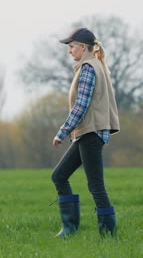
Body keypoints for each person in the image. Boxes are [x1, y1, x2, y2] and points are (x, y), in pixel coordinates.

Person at [51, 27, 120, 238]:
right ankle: (70, 229)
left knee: (96, 185)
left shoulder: (89, 68)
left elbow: (81, 106)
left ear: (83, 47)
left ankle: (108, 235)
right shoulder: (93, 65)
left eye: (72, 47)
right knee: (59, 176)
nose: (69, 51)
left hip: (91, 133)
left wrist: (62, 132)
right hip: (86, 133)